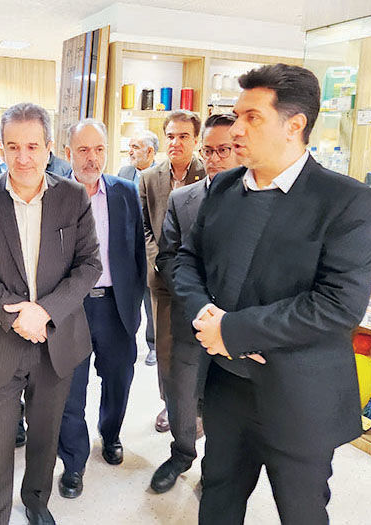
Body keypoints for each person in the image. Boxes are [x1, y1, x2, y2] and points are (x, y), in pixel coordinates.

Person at [173, 64, 371, 525]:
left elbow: (339, 304)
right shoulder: (224, 188)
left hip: (299, 392)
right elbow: (187, 260)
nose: (236, 129)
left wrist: (234, 330)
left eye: (252, 117)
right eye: (236, 116)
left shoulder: (345, 201)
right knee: (218, 496)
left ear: (294, 125)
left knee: (301, 509)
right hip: (227, 386)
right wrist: (205, 314)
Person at [0, 102, 102, 525]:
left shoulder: (72, 196)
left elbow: (89, 265)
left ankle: (36, 502)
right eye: (13, 146)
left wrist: (45, 311)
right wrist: (16, 315)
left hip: (57, 341)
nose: (23, 157)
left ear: (49, 148)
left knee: (45, 436)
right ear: (0, 148)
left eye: (33, 146)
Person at [149, 113, 239, 493]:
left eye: (224, 150)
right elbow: (168, 257)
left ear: (239, 150)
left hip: (237, 325)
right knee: (181, 393)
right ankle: (181, 453)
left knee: (225, 402)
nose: (215, 159)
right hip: (191, 317)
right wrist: (201, 306)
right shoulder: (182, 199)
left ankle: (216, 468)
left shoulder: (258, 201)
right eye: (210, 151)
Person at [56, 119, 146, 499]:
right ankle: (73, 462)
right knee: (70, 389)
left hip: (114, 306)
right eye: (83, 150)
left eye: (99, 150)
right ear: (68, 153)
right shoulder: (54, 194)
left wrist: (133, 304)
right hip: (70, 308)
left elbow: (137, 252)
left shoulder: (126, 192)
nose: (91, 158)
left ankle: (110, 434)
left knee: (118, 379)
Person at [139, 110, 205, 433]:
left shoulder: (209, 174)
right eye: (170, 136)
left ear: (196, 140)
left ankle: (198, 407)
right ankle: (170, 404)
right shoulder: (149, 178)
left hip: (201, 280)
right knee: (165, 348)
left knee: (199, 345)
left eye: (183, 136)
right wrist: (156, 261)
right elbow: (144, 228)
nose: (176, 142)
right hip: (162, 278)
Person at [117, 130, 160, 366]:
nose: (130, 151)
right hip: (126, 247)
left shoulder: (159, 176)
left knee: (150, 299)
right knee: (127, 297)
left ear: (150, 151)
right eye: (130, 146)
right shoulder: (124, 173)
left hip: (149, 247)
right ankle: (125, 341)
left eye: (135, 147)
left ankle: (153, 345)